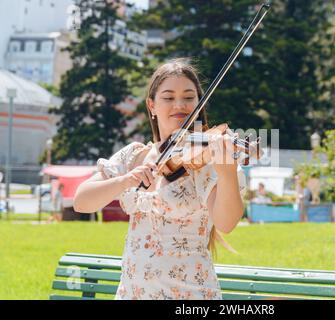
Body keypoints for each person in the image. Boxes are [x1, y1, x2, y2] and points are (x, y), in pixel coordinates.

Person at [74, 58, 247, 300]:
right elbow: (82, 202)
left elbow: (226, 223)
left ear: (199, 104)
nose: (179, 104)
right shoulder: (135, 155)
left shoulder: (205, 160)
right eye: (168, 97)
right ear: (152, 105)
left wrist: (227, 171)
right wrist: (125, 181)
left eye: (189, 97)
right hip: (132, 293)